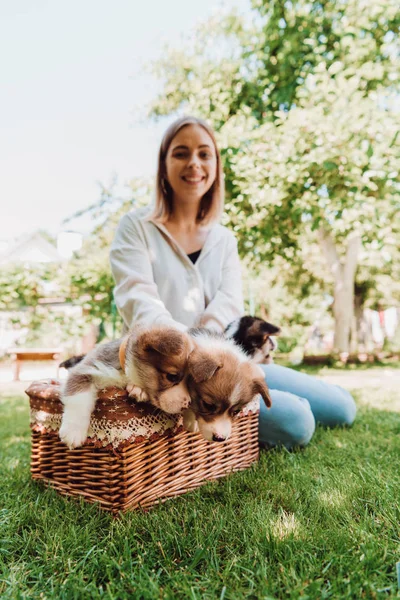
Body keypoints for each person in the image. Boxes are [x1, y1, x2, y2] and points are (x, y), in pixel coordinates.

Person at [109, 116, 356, 449]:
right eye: (181, 153)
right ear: (164, 163)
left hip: (228, 366)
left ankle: (306, 392)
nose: (194, 163)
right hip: (170, 372)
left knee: (342, 408)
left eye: (204, 154)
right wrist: (188, 355)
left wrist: (211, 355)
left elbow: (229, 304)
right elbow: (136, 298)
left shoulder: (223, 239)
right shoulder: (135, 227)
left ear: (215, 164)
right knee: (297, 422)